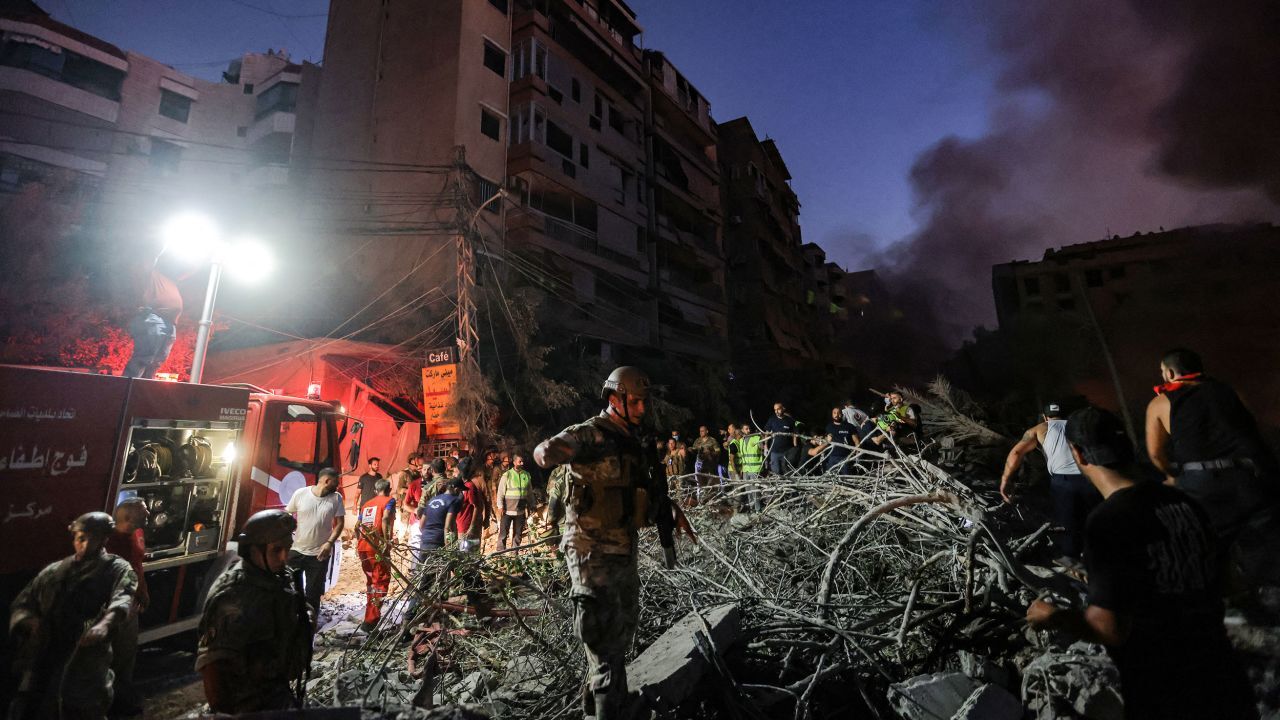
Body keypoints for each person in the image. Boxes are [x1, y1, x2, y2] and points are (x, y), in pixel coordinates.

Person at [1025, 407, 1256, 719]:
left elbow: (1109, 629)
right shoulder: (1182, 501)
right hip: (1225, 677)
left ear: (1078, 454)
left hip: (1165, 689)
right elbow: (1230, 581)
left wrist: (1050, 615)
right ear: (1128, 446)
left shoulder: (1107, 522)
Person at [534, 366, 693, 720]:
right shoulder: (592, 434)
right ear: (614, 399)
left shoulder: (632, 444)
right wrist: (556, 449)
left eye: (643, 402)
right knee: (603, 646)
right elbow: (544, 454)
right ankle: (609, 709)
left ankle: (607, 707)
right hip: (590, 554)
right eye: (635, 402)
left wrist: (668, 509)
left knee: (619, 640)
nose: (641, 409)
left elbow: (639, 495)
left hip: (623, 550)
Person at [1145, 347, 1280, 588]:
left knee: (1208, 542)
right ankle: (1270, 592)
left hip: (1201, 483)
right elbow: (1254, 431)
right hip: (1247, 476)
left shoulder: (1160, 402)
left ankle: (1227, 596)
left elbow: (1155, 453)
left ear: (1171, 372)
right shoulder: (1228, 391)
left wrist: (1171, 476)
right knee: (1264, 541)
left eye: (1163, 371)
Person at [8, 512, 137, 720]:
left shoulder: (116, 569)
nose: (84, 546)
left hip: (85, 657)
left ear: (104, 539)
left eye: (92, 539)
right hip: (45, 653)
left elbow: (123, 598)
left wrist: (104, 625)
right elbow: (23, 603)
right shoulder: (55, 571)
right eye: (81, 539)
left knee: (84, 707)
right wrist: (30, 622)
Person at [197, 509, 311, 713]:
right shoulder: (233, 596)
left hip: (276, 696)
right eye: (276, 550)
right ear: (252, 551)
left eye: (287, 548)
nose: (285, 557)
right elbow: (214, 677)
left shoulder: (277, 578)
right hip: (246, 708)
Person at [1000, 403, 1101, 560]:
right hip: (1092, 476)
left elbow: (1017, 452)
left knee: (1068, 525)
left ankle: (1074, 563)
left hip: (1064, 481)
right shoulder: (1077, 426)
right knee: (1097, 520)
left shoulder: (1040, 428)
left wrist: (1005, 479)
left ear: (1045, 417)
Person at [105, 498, 151, 717]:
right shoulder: (111, 542)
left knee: (127, 653)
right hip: (118, 605)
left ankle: (120, 697)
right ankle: (115, 703)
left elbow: (138, 564)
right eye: (143, 512)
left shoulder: (135, 534)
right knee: (118, 655)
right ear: (126, 517)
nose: (148, 514)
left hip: (131, 602)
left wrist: (143, 590)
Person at [285, 467, 345, 614]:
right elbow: (287, 516)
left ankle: (309, 629)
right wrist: (287, 539)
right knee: (288, 591)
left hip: (320, 555)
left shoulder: (336, 498)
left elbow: (340, 524)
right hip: (296, 551)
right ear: (326, 480)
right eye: (335, 482)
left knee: (313, 595)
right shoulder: (301, 494)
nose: (337, 485)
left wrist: (329, 543)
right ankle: (289, 622)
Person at [122, 268, 182, 379]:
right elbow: (149, 257)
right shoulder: (154, 273)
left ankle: (143, 389)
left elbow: (192, 269)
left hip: (170, 323)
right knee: (145, 356)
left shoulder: (172, 280)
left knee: (158, 360)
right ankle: (124, 389)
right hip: (155, 317)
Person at [354, 479, 396, 631]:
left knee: (371, 582)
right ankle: (371, 621)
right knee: (381, 581)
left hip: (363, 547)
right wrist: (386, 541)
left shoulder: (366, 504)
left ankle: (369, 617)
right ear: (389, 489)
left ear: (374, 491)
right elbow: (385, 518)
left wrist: (359, 542)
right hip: (377, 547)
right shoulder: (390, 500)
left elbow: (357, 526)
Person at [496, 454, 532, 551]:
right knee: (503, 533)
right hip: (507, 510)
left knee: (518, 534)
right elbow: (500, 493)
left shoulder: (526, 475)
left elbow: (530, 493)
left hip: (520, 511)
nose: (522, 463)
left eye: (522, 461)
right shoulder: (507, 475)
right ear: (514, 462)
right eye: (520, 461)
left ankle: (514, 554)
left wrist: (532, 505)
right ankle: (500, 553)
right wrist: (500, 506)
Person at [763, 402, 799, 475]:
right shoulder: (772, 420)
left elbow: (794, 434)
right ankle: (776, 486)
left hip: (787, 452)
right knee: (776, 472)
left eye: (778, 409)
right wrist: (766, 446)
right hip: (774, 451)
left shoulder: (790, 420)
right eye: (775, 410)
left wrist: (795, 447)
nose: (776, 411)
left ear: (783, 408)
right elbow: (767, 433)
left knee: (787, 472)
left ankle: (787, 486)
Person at [737, 423, 766, 512]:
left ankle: (758, 509)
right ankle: (751, 508)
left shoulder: (756, 438)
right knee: (748, 490)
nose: (748, 430)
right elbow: (743, 456)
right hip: (746, 469)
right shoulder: (741, 441)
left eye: (749, 428)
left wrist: (763, 439)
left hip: (755, 469)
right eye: (746, 429)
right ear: (742, 430)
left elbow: (762, 447)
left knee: (755, 490)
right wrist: (742, 469)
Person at [689, 425, 722, 503]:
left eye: (703, 431)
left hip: (710, 466)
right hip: (700, 466)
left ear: (707, 431)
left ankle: (712, 501)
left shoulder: (712, 440)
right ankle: (701, 501)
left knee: (710, 484)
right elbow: (694, 450)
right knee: (700, 484)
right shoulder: (697, 441)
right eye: (700, 431)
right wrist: (691, 450)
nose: (701, 432)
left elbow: (718, 452)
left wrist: (710, 452)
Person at [823, 406, 859, 474]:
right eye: (834, 413)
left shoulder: (850, 426)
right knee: (831, 479)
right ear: (832, 414)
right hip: (832, 457)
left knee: (846, 479)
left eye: (838, 413)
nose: (836, 415)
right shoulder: (829, 427)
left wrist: (855, 454)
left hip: (846, 457)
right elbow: (826, 441)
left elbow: (856, 441)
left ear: (842, 414)